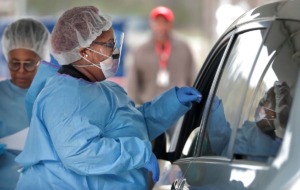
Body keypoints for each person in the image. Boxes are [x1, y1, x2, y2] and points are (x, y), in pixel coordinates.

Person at [15, 6, 202, 190]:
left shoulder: (102, 88)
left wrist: (173, 102)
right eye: (109, 45)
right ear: (84, 52)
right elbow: (79, 152)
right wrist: (140, 154)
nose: (115, 51)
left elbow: (130, 125)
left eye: (115, 43)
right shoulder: (63, 96)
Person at [126, 5, 197, 161]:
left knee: (179, 151)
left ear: (171, 24)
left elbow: (193, 76)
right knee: (151, 153)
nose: (161, 26)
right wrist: (134, 109)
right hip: (151, 110)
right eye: (157, 22)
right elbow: (132, 83)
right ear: (151, 24)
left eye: (165, 22)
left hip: (179, 109)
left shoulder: (183, 47)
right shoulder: (141, 50)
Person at [0, 18, 50, 190]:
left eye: (29, 64)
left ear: (42, 60)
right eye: (14, 63)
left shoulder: (55, 95)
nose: (21, 71)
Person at [207, 81, 293, 162]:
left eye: (266, 100)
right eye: (263, 98)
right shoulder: (252, 129)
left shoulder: (277, 157)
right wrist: (215, 110)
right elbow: (224, 143)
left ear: (274, 114)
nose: (260, 103)